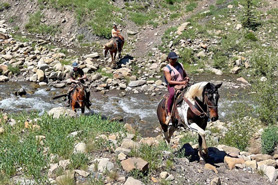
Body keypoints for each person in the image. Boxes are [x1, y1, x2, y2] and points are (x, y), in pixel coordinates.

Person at [164, 51, 189, 125]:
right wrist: (181, 83)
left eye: (175, 59)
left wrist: (186, 78)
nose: (175, 60)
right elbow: (169, 81)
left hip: (183, 83)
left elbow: (185, 75)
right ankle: (169, 113)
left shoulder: (180, 65)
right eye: (173, 59)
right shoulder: (167, 69)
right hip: (173, 85)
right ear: (169, 59)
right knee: (172, 95)